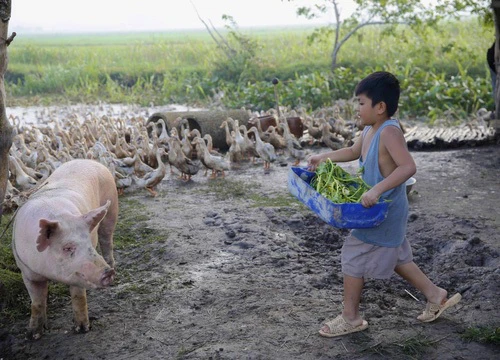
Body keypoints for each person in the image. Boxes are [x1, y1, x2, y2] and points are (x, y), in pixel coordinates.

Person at [307, 71, 461, 338]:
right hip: (376, 209)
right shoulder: (369, 129)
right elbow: (353, 152)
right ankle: (435, 295)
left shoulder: (390, 132)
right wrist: (324, 156)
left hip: (383, 209)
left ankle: (351, 318)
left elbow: (408, 166)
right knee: (398, 256)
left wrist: (377, 188)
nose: (357, 110)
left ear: (380, 107)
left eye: (361, 103)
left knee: (353, 256)